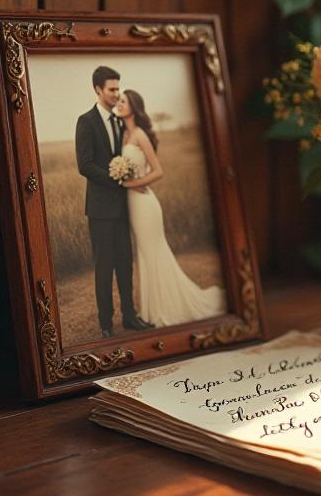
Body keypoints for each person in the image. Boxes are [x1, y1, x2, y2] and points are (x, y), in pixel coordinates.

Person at [116, 89, 226, 327]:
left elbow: (158, 171)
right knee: (144, 254)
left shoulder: (140, 135)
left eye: (123, 101)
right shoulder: (124, 133)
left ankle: (164, 308)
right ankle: (150, 310)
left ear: (133, 106)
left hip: (145, 203)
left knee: (154, 252)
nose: (119, 103)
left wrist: (132, 183)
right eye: (119, 101)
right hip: (132, 204)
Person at [75, 66, 153, 338]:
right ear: (97, 89)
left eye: (118, 89)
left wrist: (132, 177)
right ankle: (106, 323)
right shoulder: (85, 121)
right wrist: (115, 177)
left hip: (123, 207)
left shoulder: (121, 122)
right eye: (112, 89)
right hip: (100, 209)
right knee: (104, 267)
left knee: (125, 263)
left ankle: (130, 317)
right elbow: (84, 165)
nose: (116, 94)